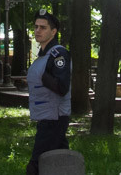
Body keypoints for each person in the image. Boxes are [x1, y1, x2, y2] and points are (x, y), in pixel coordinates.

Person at [27, 9, 71, 175]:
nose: (38, 30)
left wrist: (42, 76)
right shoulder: (44, 55)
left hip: (54, 118)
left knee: (36, 165)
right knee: (62, 163)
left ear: (53, 32)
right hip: (47, 117)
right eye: (36, 27)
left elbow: (62, 87)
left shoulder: (58, 54)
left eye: (43, 27)